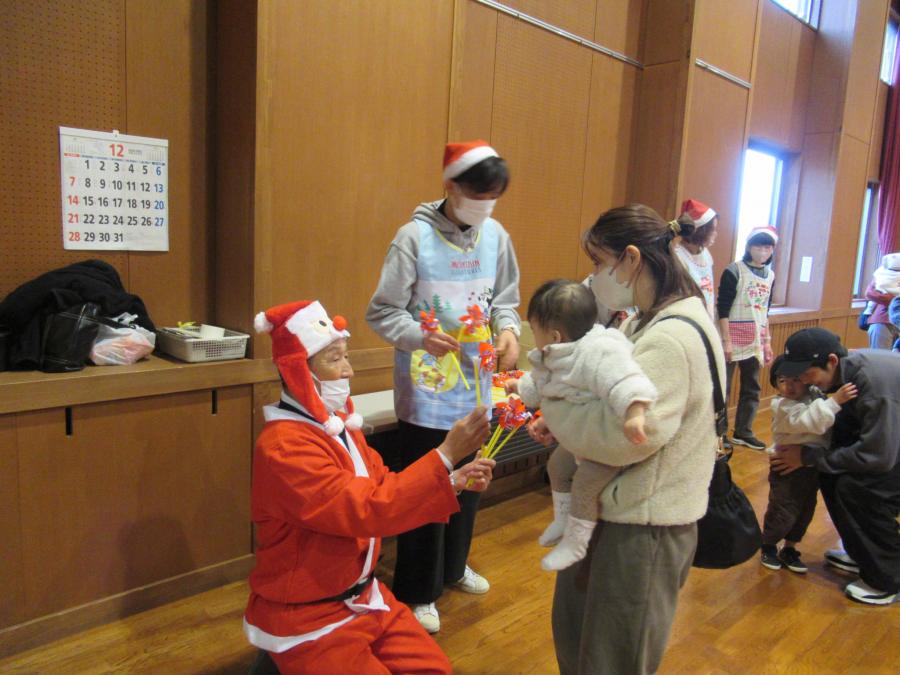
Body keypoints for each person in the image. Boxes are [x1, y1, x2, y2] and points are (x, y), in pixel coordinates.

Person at [243, 300, 495, 673]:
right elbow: (369, 509)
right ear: (298, 371)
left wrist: (453, 480)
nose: (348, 370)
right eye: (334, 359)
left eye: (346, 357)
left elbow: (386, 485)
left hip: (364, 597)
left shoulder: (340, 428)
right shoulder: (285, 447)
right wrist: (444, 455)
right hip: (309, 616)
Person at [528, 204, 723, 674]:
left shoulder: (671, 336)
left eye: (599, 263)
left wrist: (557, 413)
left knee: (614, 659)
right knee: (581, 645)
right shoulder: (645, 320)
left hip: (643, 526)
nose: (594, 277)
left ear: (631, 259)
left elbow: (626, 437)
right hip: (617, 514)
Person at [366, 140, 521, 633]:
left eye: (493, 197)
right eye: (478, 195)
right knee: (426, 486)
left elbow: (505, 298)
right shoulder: (412, 238)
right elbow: (382, 311)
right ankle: (417, 588)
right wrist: (418, 336)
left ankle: (453, 568)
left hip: (479, 386)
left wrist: (509, 329)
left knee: (471, 482)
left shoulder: (496, 235)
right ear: (450, 186)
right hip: (428, 388)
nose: (485, 206)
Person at [505, 279, 657, 571]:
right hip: (577, 439)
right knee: (557, 468)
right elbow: (539, 382)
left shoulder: (598, 352)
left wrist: (635, 413)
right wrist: (518, 385)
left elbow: (626, 379)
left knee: (586, 485)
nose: (533, 337)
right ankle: (563, 520)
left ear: (554, 334)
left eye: (534, 330)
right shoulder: (553, 355)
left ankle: (576, 542)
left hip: (606, 443)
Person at [770, 327, 900, 606]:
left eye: (806, 373)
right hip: (888, 444)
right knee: (832, 476)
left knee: (860, 490)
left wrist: (806, 457)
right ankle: (862, 553)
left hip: (890, 451)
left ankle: (886, 579)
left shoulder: (871, 385)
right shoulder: (843, 374)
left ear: (831, 361)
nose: (802, 381)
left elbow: (879, 457)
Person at [760, 355, 857, 573]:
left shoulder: (812, 394)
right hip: (786, 468)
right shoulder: (782, 405)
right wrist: (835, 402)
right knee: (783, 508)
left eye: (795, 379)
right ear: (775, 384)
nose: (789, 386)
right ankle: (768, 545)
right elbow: (808, 422)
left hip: (810, 466)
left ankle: (790, 548)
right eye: (782, 380)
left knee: (805, 509)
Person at [717, 226, 778, 451]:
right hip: (731, 336)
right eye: (759, 246)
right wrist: (726, 341)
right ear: (749, 247)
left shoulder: (770, 275)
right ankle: (719, 432)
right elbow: (722, 308)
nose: (763, 251)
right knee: (723, 388)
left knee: (751, 386)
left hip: (756, 339)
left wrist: (768, 341)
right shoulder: (734, 271)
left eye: (768, 247)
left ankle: (744, 431)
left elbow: (765, 310)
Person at [671, 198, 718, 320]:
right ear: (700, 231)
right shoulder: (676, 254)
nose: (715, 234)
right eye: (712, 230)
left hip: (706, 318)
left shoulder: (706, 254)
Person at [864, 252, 900, 349]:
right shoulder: (885, 271)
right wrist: (895, 300)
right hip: (883, 321)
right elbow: (869, 293)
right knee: (880, 359)